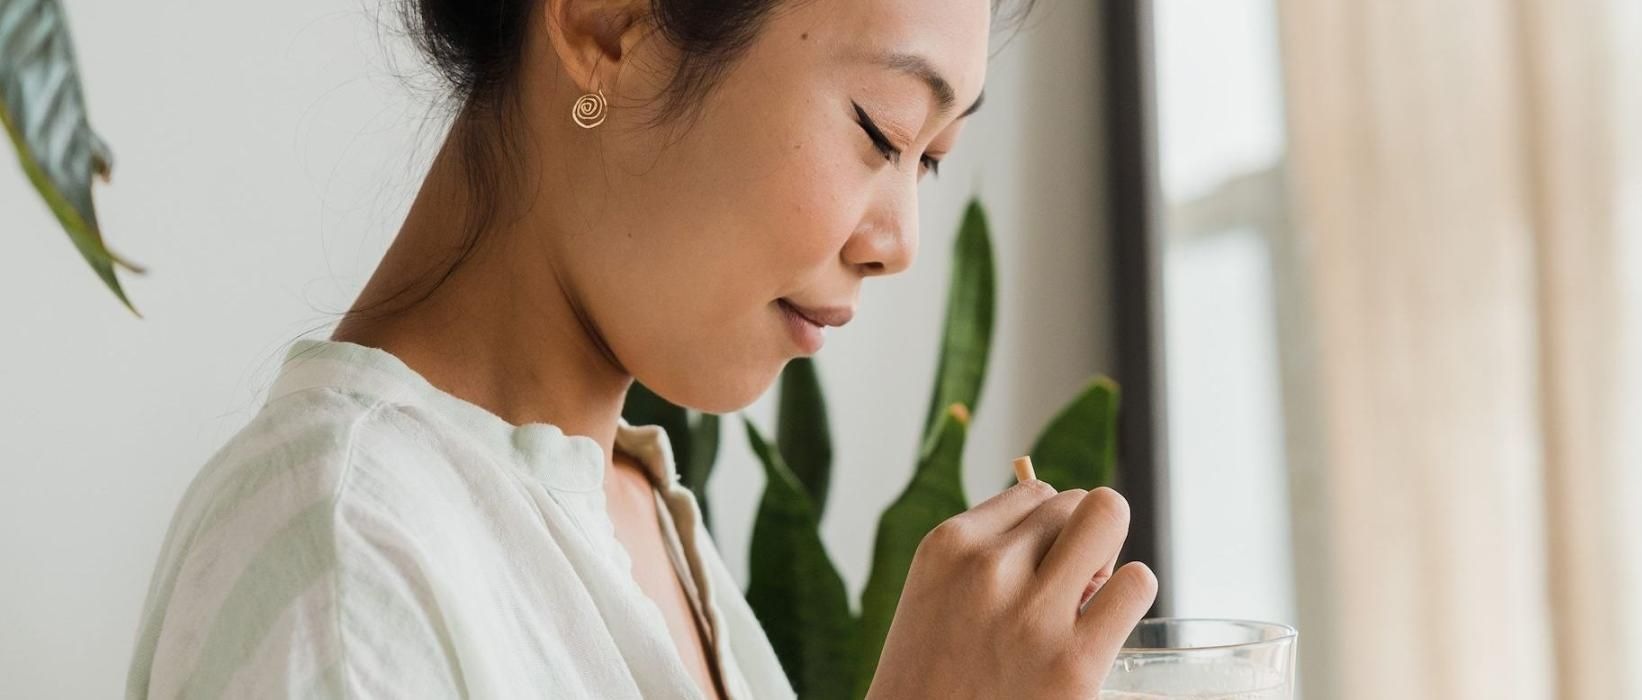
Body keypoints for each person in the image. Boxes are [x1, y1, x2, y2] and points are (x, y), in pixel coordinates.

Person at [125, 0, 1157, 697]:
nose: (897, 244)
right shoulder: (346, 559)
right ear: (606, 22)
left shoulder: (636, 520)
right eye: (882, 131)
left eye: (931, 160)